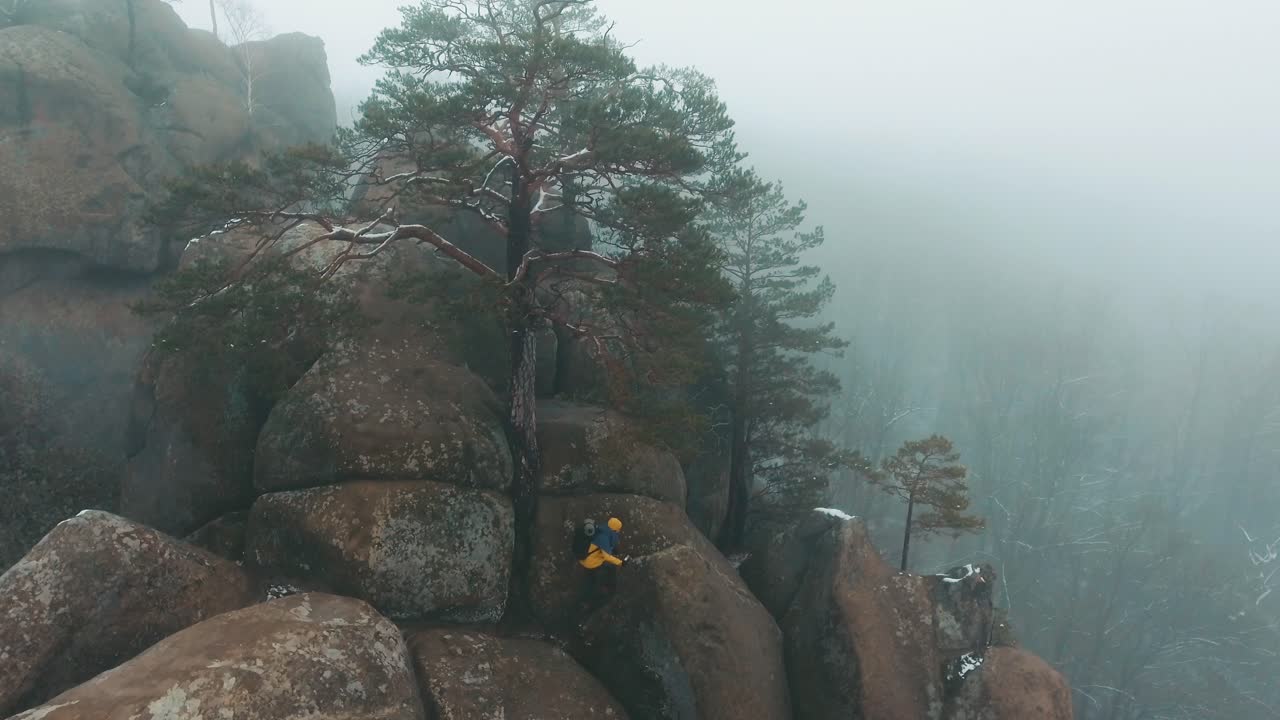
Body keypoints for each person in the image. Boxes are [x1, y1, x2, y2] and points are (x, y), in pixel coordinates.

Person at [579, 516, 626, 609]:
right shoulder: (603, 537)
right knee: (606, 571)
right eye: (618, 530)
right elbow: (607, 556)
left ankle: (586, 602)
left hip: (587, 559)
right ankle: (595, 601)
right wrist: (621, 563)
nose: (619, 532)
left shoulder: (602, 530)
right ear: (615, 529)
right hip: (591, 562)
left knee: (590, 581)